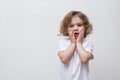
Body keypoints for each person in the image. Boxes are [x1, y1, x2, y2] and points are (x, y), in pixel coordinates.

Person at [58, 10, 94, 80]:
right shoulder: (63, 42)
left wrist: (79, 43)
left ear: (85, 27)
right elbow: (64, 59)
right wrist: (73, 43)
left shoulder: (87, 43)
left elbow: (84, 59)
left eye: (79, 25)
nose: (75, 28)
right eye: (71, 26)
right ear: (66, 29)